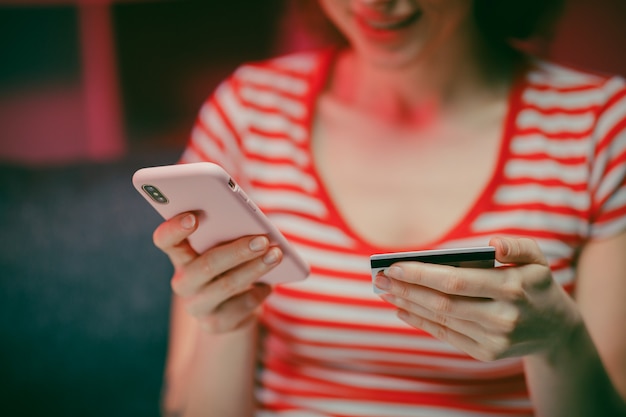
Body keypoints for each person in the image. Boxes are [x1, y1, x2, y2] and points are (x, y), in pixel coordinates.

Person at [153, 0, 626, 416]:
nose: (374, 3)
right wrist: (225, 321)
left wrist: (558, 342)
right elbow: (184, 409)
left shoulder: (601, 129)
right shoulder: (247, 113)